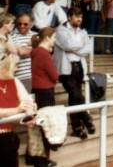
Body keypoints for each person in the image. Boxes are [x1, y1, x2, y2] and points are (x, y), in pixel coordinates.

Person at [54, 7, 95, 139]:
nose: (80, 19)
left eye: (81, 17)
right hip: (66, 69)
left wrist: (76, 48)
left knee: (74, 97)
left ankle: (77, 128)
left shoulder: (83, 31)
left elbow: (88, 48)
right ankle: (86, 117)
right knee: (76, 94)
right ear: (70, 17)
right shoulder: (60, 30)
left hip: (79, 67)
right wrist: (79, 46)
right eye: (77, 17)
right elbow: (68, 45)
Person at [0, 54, 36, 167]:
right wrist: (17, 110)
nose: (17, 69)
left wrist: (30, 112)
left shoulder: (15, 81)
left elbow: (27, 100)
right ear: (5, 66)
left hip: (7, 136)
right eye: (15, 65)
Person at [30, 27, 58, 167]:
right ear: (47, 38)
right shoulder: (43, 53)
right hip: (46, 91)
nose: (55, 40)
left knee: (39, 125)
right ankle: (43, 160)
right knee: (46, 126)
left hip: (38, 90)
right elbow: (54, 75)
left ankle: (37, 157)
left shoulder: (36, 52)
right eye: (54, 38)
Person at [10, 14, 36, 92]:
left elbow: (44, 51)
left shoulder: (35, 35)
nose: (22, 26)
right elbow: (21, 52)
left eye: (25, 24)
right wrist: (34, 49)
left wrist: (22, 50)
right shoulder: (11, 36)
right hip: (20, 76)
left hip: (36, 75)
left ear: (31, 24)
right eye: (19, 23)